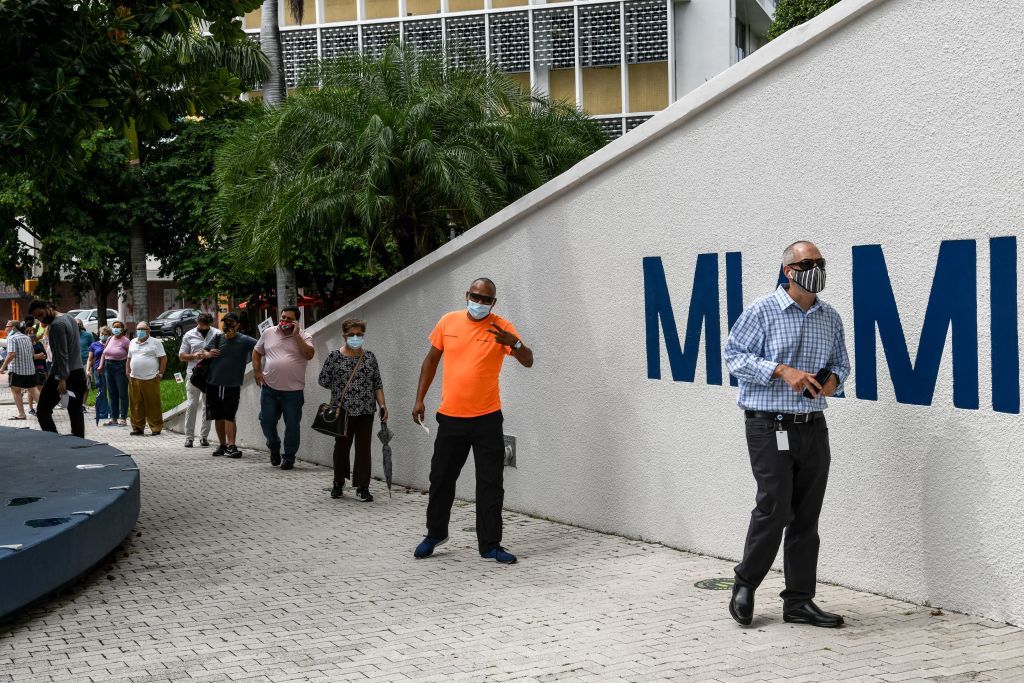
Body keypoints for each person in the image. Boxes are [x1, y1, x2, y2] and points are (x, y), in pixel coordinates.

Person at [722, 241, 851, 629]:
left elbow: (842, 364)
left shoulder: (830, 317)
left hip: (812, 426)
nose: (817, 269)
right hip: (768, 425)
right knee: (775, 507)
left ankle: (799, 601)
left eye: (821, 263)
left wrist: (832, 383)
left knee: (806, 517)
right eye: (809, 263)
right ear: (789, 271)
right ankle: (745, 582)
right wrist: (781, 370)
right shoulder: (762, 310)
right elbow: (733, 355)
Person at [412, 278, 534, 564]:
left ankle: (490, 545)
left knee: (490, 483)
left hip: (487, 419)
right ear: (467, 295)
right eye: (476, 297)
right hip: (451, 418)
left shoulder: (502, 327)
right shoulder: (448, 322)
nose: (479, 303)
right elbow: (431, 360)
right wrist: (419, 399)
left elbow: (528, 360)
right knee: (441, 479)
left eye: (486, 300)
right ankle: (434, 534)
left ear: (494, 303)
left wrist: (513, 343)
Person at [318, 318, 386, 500]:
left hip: (366, 410)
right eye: (351, 335)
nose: (355, 337)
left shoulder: (370, 357)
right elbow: (323, 380)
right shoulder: (334, 357)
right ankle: (338, 482)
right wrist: (339, 389)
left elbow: (377, 384)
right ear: (344, 336)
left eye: (359, 334)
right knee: (341, 447)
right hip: (342, 411)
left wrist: (383, 405)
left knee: (363, 449)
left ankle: (362, 486)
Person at [253, 306, 315, 470]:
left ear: (296, 321)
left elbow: (309, 354)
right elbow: (256, 352)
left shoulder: (304, 336)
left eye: (289, 319)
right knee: (266, 420)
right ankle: (274, 447)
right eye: (283, 317)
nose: (284, 321)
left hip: (293, 392)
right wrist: (257, 372)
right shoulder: (268, 333)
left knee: (292, 425)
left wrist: (296, 336)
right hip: (269, 389)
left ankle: (289, 457)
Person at [28, 300, 88, 438]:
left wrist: (62, 379)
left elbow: (62, 354)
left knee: (42, 410)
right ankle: (79, 441)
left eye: (41, 314)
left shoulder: (56, 325)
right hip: (78, 372)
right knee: (75, 410)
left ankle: (53, 441)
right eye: (37, 317)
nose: (41, 319)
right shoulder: (69, 317)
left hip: (63, 373)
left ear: (48, 307)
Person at [200, 312, 257, 458]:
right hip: (213, 383)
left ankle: (232, 445)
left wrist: (258, 369)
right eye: (226, 322)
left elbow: (260, 348)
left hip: (231, 384)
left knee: (229, 415)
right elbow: (203, 352)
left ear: (237, 325)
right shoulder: (218, 338)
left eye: (231, 322)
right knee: (218, 415)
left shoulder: (244, 340)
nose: (228, 325)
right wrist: (208, 354)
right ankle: (222, 445)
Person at [178, 313, 220, 448]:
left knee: (208, 406)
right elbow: (182, 356)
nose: (204, 328)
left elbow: (223, 352)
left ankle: (204, 437)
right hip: (194, 374)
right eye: (202, 325)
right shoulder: (189, 335)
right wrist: (193, 356)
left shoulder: (218, 334)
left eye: (207, 326)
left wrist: (214, 354)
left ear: (210, 323)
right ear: (198, 322)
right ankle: (189, 438)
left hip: (211, 374)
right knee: (191, 405)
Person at [127, 322, 166, 436]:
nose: (140, 331)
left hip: (151, 378)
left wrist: (161, 374)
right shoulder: (132, 342)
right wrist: (127, 371)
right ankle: (137, 428)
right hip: (134, 378)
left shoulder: (155, 342)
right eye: (138, 329)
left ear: (148, 331)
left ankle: (156, 427)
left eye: (143, 329)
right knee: (136, 404)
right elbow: (129, 358)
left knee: (153, 404)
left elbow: (163, 358)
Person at [1, 321, 39, 420]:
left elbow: (11, 354)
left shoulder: (11, 338)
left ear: (13, 327)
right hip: (30, 369)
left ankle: (22, 414)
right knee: (33, 389)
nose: (6, 328)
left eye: (7, 326)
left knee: (16, 391)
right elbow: (32, 352)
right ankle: (46, 410)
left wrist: (2, 367)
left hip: (17, 370)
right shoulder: (27, 338)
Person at [99, 321, 130, 426]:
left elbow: (130, 356)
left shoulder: (125, 341)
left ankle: (123, 418)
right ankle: (114, 418)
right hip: (108, 367)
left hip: (120, 367)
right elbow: (104, 353)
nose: (115, 329)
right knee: (112, 393)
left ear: (122, 329)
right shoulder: (109, 338)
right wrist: (101, 365)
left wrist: (128, 369)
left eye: (118, 327)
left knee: (122, 393)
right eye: (114, 327)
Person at [86, 327, 111, 426]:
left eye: (106, 334)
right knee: (102, 391)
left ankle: (112, 412)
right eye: (102, 333)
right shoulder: (94, 345)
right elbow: (90, 359)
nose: (103, 335)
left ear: (109, 335)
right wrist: (88, 369)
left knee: (111, 391)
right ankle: (103, 412)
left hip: (110, 369)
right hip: (98, 370)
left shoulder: (111, 344)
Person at [27, 324, 46, 415]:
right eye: (30, 333)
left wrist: (38, 357)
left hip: (40, 368)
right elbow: (26, 357)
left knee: (40, 388)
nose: (32, 335)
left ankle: (40, 408)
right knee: (31, 389)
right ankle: (31, 408)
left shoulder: (39, 343)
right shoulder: (26, 344)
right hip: (30, 369)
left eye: (33, 333)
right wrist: (38, 356)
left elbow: (45, 355)